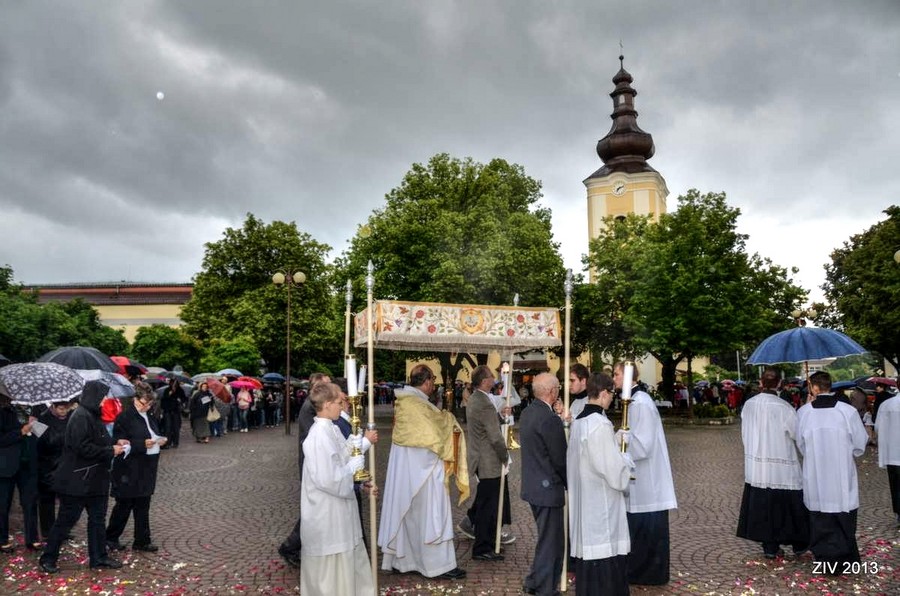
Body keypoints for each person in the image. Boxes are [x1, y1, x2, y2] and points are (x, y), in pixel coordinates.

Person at [379, 364, 468, 579]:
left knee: (410, 516)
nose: (433, 386)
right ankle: (438, 566)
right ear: (427, 382)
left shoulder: (406, 402)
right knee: (431, 516)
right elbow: (436, 435)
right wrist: (449, 419)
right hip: (426, 472)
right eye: (433, 382)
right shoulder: (418, 405)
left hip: (408, 471)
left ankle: (405, 561)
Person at [40, 380, 130, 573]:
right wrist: (109, 450)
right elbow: (81, 447)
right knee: (65, 521)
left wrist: (115, 442)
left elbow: (98, 440)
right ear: (94, 395)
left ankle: (99, 557)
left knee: (97, 520)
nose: (105, 400)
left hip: (95, 479)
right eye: (103, 396)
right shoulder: (81, 416)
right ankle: (48, 557)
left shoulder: (91, 415)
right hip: (78, 480)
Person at [300, 382, 373, 595]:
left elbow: (342, 454)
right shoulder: (318, 436)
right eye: (339, 402)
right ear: (328, 404)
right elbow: (328, 479)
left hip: (338, 510)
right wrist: (352, 467)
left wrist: (359, 448)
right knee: (330, 570)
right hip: (326, 512)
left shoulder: (330, 429)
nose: (342, 407)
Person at [796, 371, 868, 570]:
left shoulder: (804, 413)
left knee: (819, 515)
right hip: (841, 473)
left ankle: (824, 558)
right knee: (842, 512)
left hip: (816, 473)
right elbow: (860, 444)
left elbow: (800, 444)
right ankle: (846, 558)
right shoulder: (847, 411)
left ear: (814, 388)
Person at [568, 372, 632, 595]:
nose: (612, 399)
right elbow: (612, 471)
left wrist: (614, 441)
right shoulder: (600, 424)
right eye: (611, 394)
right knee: (604, 555)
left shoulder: (579, 422)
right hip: (601, 504)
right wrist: (625, 461)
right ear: (604, 393)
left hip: (586, 499)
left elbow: (590, 457)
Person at [613, 362, 677, 585]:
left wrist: (621, 438)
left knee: (646, 529)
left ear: (630, 376)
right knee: (639, 529)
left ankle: (648, 573)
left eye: (616, 374)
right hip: (639, 479)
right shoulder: (632, 402)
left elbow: (643, 445)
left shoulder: (640, 403)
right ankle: (640, 571)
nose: (614, 379)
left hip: (648, 481)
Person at [735, 367, 809, 559]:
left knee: (764, 506)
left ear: (761, 382)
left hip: (757, 464)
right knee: (789, 506)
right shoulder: (784, 407)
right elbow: (797, 434)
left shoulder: (749, 405)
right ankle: (799, 543)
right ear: (779, 384)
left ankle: (770, 547)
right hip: (781, 464)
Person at [519, 372, 568, 596]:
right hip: (548, 489)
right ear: (552, 392)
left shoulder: (528, 412)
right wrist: (570, 483)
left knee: (546, 538)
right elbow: (560, 458)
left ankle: (534, 580)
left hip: (534, 486)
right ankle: (546, 588)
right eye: (557, 388)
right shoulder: (549, 419)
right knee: (551, 542)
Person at [105, 382, 167, 553]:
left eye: (149, 404)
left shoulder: (150, 416)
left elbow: (154, 433)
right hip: (128, 469)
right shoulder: (124, 417)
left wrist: (160, 439)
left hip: (146, 467)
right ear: (135, 399)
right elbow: (119, 442)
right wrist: (141, 444)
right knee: (124, 505)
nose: (146, 407)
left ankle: (142, 540)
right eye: (143, 403)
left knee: (143, 505)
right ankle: (110, 537)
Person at [278, 372, 330, 567]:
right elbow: (313, 439)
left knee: (315, 509)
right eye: (327, 385)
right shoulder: (310, 408)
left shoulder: (312, 406)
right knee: (312, 510)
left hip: (313, 464)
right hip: (311, 465)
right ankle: (290, 546)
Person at [465, 365, 508, 562]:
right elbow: (495, 437)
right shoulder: (483, 402)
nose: (494, 378)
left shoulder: (476, 399)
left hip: (481, 458)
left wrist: (500, 416)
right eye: (492, 376)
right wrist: (505, 456)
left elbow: (488, 425)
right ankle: (483, 546)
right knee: (487, 507)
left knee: (486, 504)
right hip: (488, 460)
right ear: (484, 381)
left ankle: (488, 542)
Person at [0, 389, 39, 553]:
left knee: (30, 502)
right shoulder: (4, 411)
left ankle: (32, 538)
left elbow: (39, 434)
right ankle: (2, 539)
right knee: (3, 504)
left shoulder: (33, 407)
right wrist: (21, 432)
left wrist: (36, 426)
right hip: (6, 464)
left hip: (27, 462)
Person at [36, 401, 72, 540]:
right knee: (46, 501)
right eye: (61, 409)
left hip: (64, 464)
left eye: (66, 409)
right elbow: (41, 442)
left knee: (66, 500)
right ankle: (47, 531)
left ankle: (62, 530)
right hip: (47, 465)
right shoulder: (42, 418)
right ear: (53, 407)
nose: (64, 411)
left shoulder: (70, 418)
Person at [873, 385, 900, 526]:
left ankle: (898, 512)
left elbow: (878, 427)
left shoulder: (886, 404)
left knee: (896, 485)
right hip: (894, 453)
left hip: (893, 453)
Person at [159, 378, 185, 449]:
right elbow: (163, 401)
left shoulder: (180, 390)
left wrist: (180, 400)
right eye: (172, 383)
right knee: (168, 428)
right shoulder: (167, 390)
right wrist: (169, 394)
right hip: (167, 412)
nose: (173, 385)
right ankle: (168, 442)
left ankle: (175, 442)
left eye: (175, 383)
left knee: (176, 428)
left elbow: (184, 399)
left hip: (176, 412)